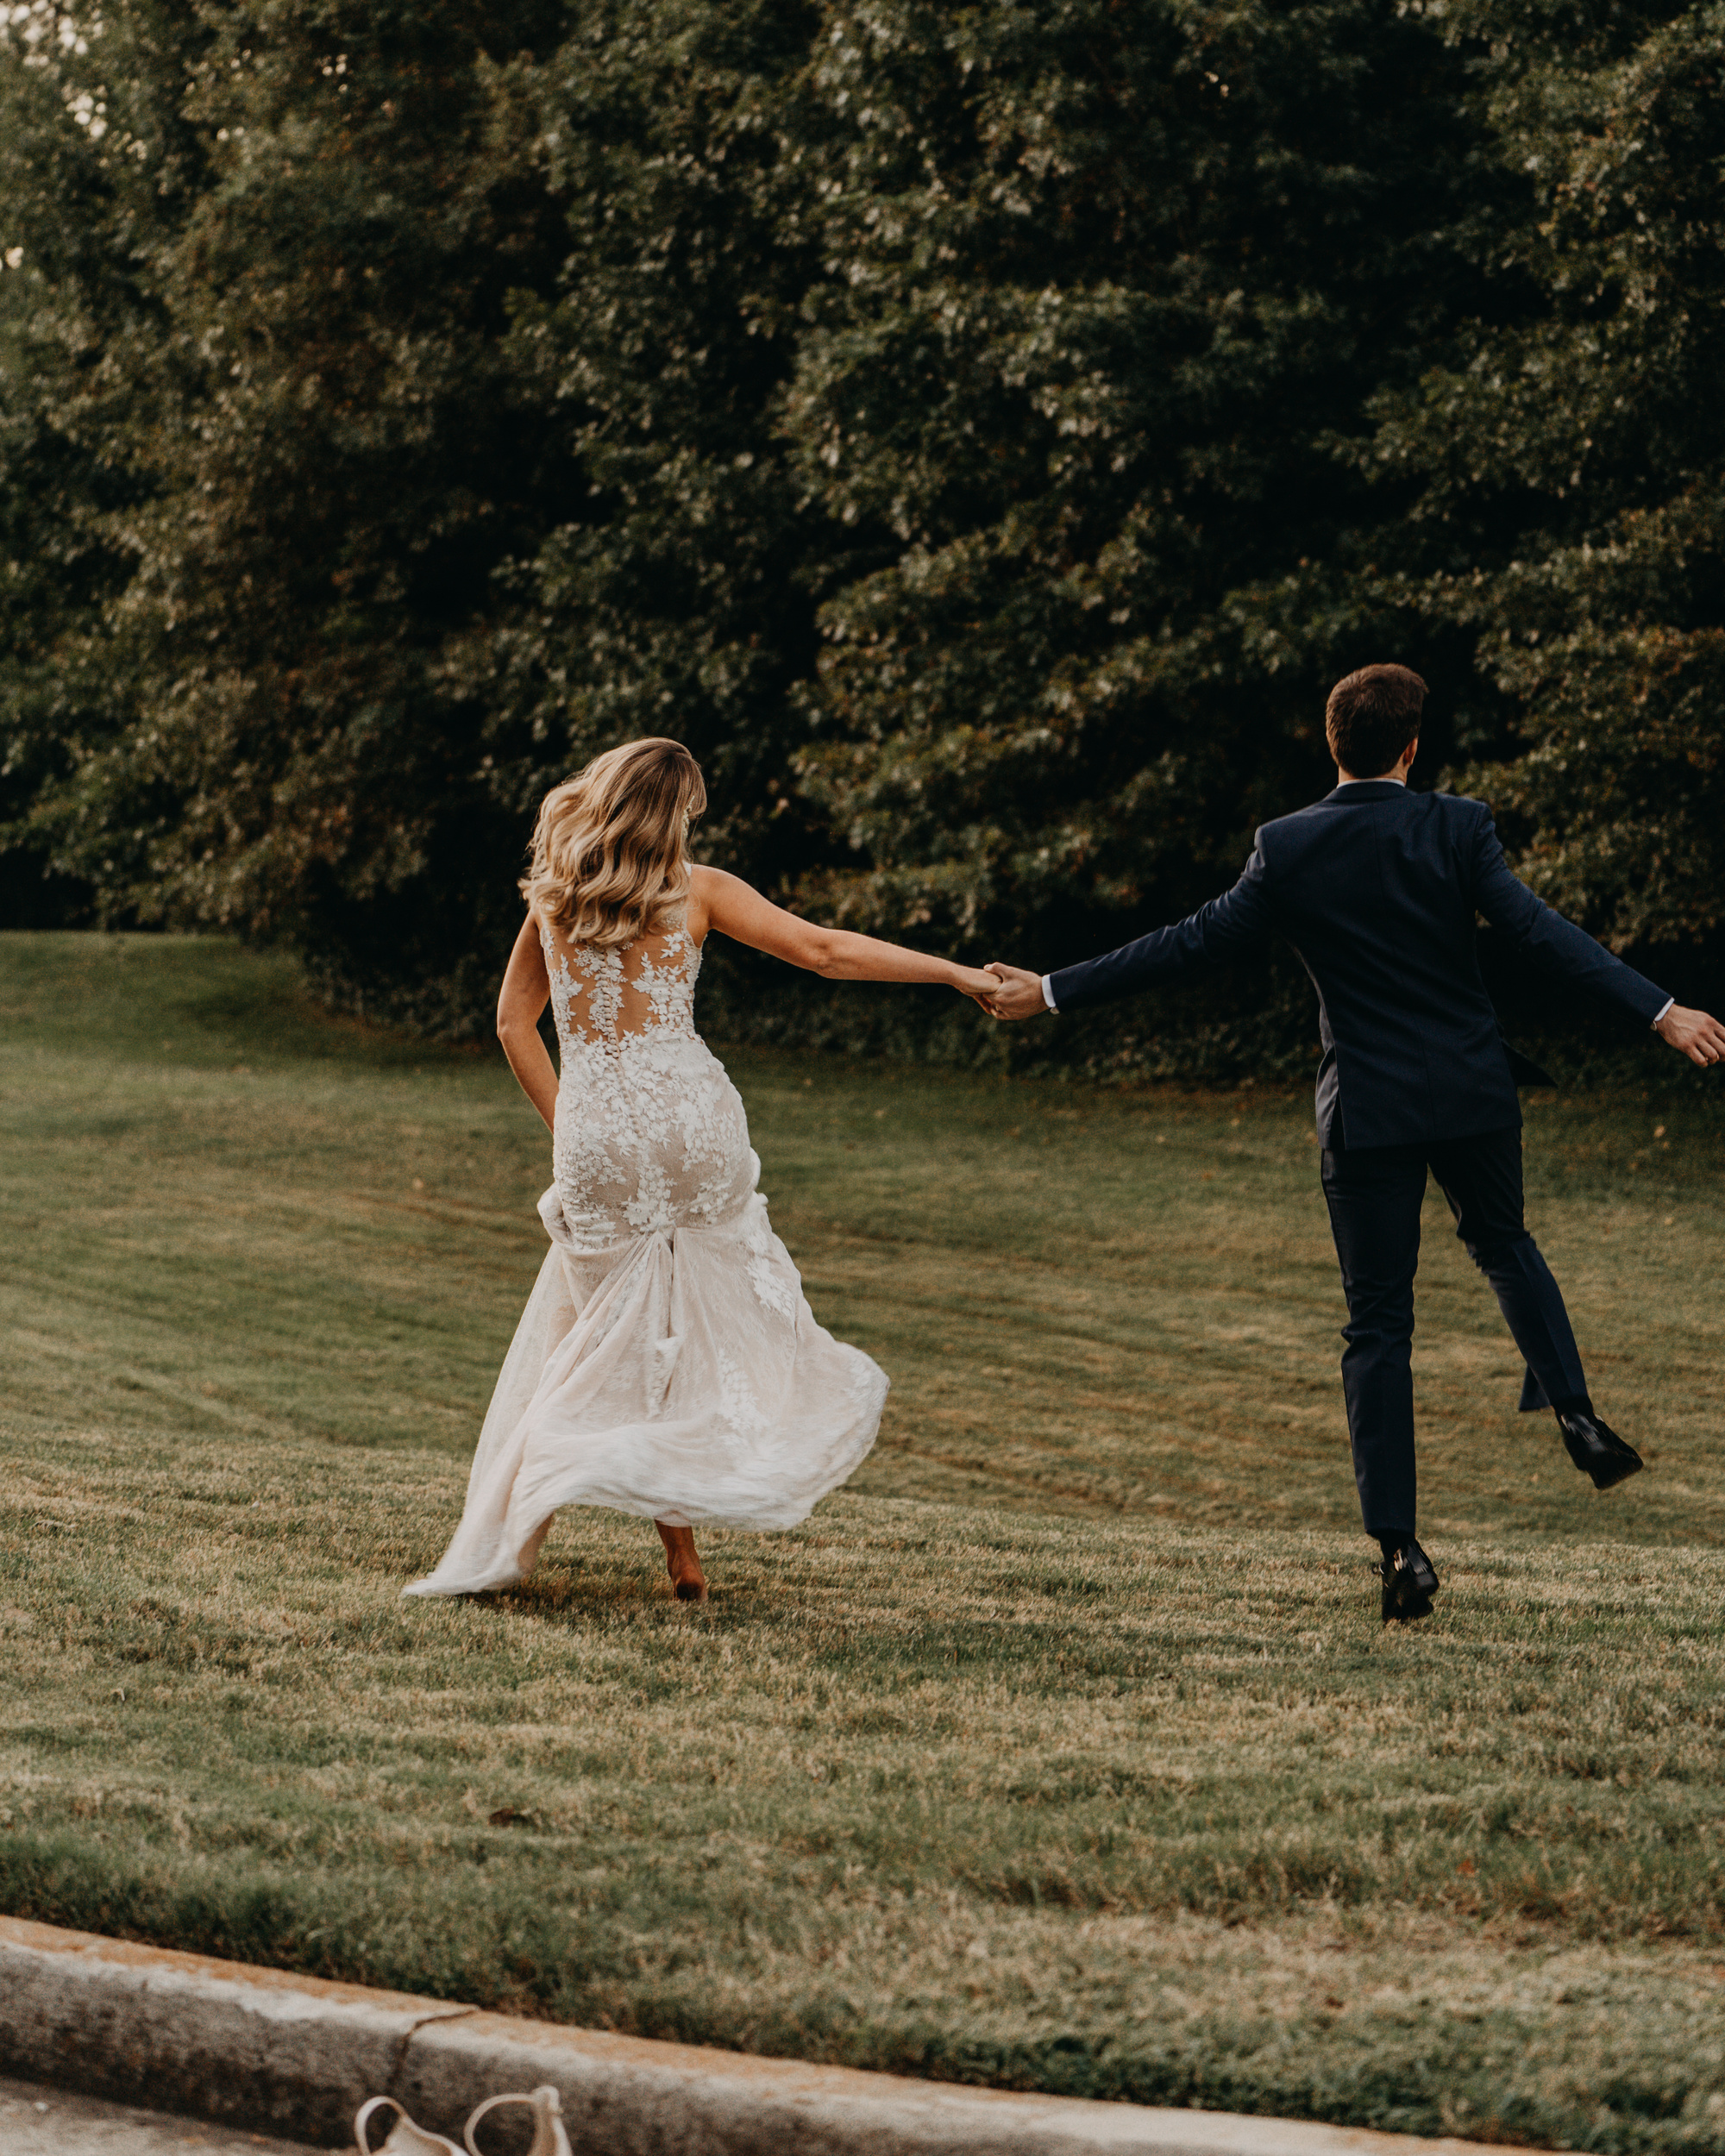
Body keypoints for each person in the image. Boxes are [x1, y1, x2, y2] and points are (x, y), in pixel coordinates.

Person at [983, 664, 1725, 1622]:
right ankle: (1575, 1413)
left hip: (1366, 1111)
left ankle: (1400, 1553)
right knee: (1503, 1243)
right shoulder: (1456, 824)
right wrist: (1660, 1011)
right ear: (1411, 748)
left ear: (1330, 745)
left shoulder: (1285, 847)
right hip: (1469, 1094)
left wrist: (1048, 988)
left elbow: (1186, 942)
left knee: (1377, 1326)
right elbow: (1543, 935)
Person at [406, 737, 999, 1605]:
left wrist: (574, 1127)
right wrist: (951, 973)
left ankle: (526, 1533)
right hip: (696, 1129)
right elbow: (824, 951)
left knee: (594, 1336)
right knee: (701, 1320)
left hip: (601, 1137)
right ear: (673, 811)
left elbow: (511, 1024)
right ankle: (682, 1552)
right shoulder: (698, 890)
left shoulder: (554, 896)